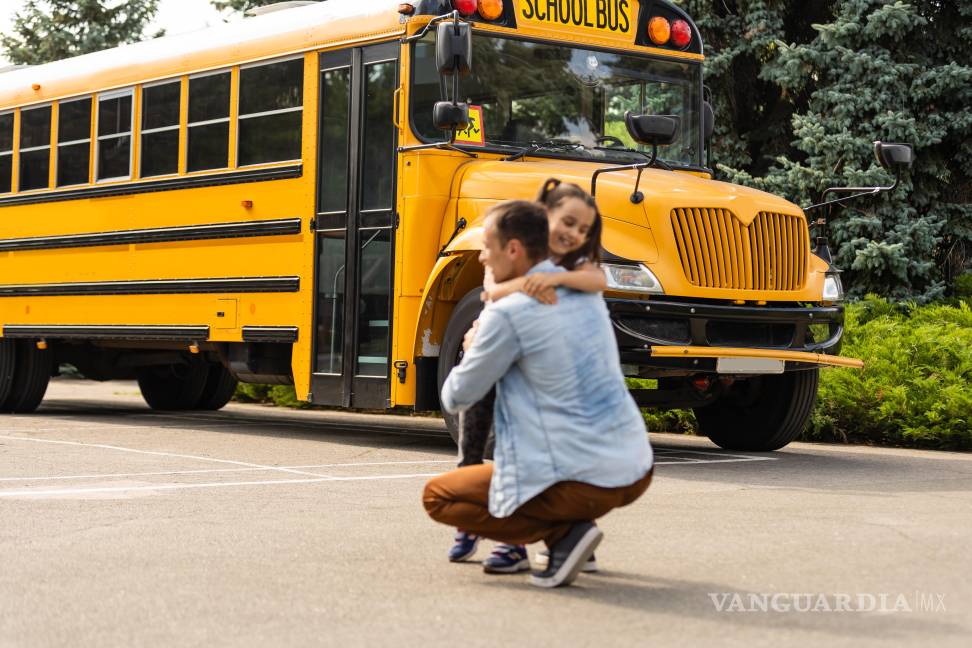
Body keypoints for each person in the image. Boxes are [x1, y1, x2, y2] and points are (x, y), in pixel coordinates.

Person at [424, 200, 654, 588]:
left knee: (439, 497)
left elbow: (456, 397)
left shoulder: (506, 313)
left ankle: (565, 535)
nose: (480, 255)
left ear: (513, 249)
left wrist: (471, 346)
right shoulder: (586, 295)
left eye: (487, 247)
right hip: (636, 467)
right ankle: (575, 529)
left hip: (582, 478)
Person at [447, 179, 608, 574]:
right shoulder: (515, 246)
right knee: (475, 440)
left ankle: (546, 536)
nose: (569, 232)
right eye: (562, 220)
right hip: (497, 354)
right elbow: (491, 285)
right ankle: (474, 519)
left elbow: (595, 283)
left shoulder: (573, 265)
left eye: (581, 228)